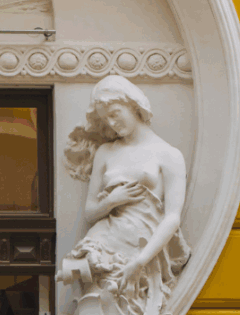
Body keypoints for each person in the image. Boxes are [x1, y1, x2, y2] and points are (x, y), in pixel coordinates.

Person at [58, 76, 188, 315]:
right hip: (105, 242)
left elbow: (172, 217)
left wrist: (141, 261)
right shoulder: (105, 152)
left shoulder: (169, 155)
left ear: (133, 104)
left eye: (115, 113)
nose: (112, 123)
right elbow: (90, 213)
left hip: (141, 246)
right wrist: (111, 201)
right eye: (106, 118)